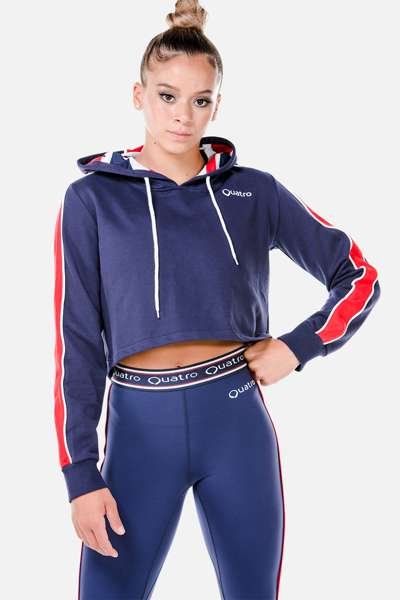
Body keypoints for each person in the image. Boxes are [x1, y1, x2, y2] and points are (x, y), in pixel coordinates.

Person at [52, 1, 381, 598]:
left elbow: (359, 276)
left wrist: (298, 346)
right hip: (138, 431)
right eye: (167, 96)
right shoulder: (91, 200)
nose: (183, 116)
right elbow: (75, 341)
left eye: (200, 100)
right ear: (138, 95)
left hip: (234, 422)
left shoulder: (253, 192)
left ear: (217, 106)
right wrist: (80, 473)